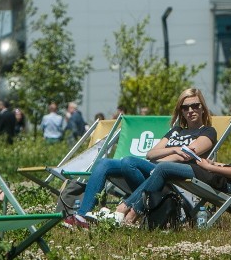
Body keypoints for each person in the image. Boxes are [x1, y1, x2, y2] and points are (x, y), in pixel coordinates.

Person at [112, 90, 231, 227]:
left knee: (163, 169)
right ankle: (128, 212)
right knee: (161, 169)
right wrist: (214, 163)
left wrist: (210, 168)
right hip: (220, 175)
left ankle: (128, 214)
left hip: (226, 184)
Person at [69, 88, 217, 225]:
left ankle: (124, 212)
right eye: (185, 107)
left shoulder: (208, 132)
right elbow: (150, 153)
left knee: (129, 162)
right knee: (103, 163)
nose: (190, 110)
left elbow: (186, 156)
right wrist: (175, 149)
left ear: (203, 108)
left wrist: (165, 157)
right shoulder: (176, 131)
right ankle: (82, 216)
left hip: (171, 177)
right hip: (153, 172)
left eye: (195, 106)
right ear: (181, 112)